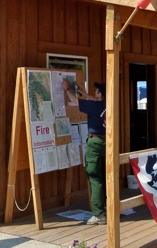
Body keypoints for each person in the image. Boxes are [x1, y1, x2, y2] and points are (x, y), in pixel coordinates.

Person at [63, 80, 107, 225]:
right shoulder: (107, 104)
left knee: (94, 177)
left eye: (98, 91)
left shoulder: (94, 106)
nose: (96, 93)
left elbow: (75, 101)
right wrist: (84, 93)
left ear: (101, 94)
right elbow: (94, 100)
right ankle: (106, 207)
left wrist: (67, 89)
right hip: (106, 142)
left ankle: (99, 214)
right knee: (104, 175)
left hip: (94, 144)